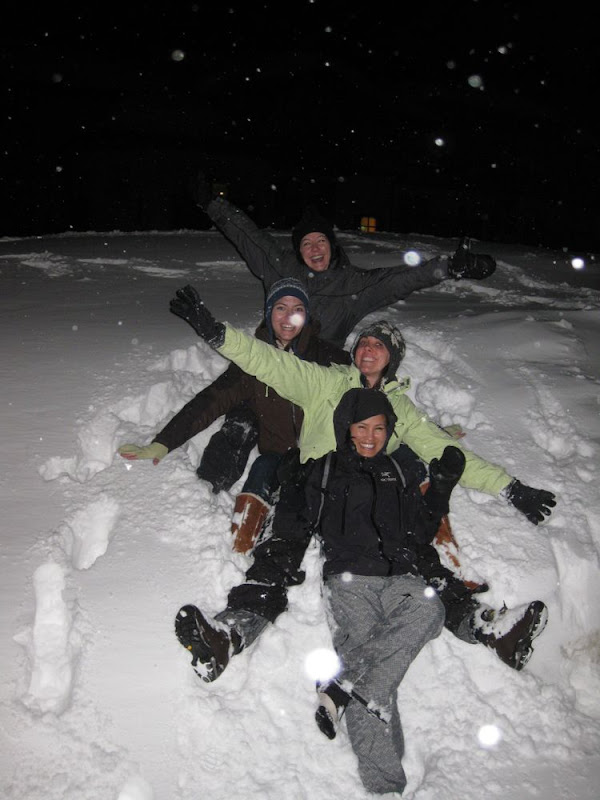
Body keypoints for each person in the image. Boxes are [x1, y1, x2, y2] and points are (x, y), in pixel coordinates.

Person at [175, 389, 546, 795]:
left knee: (430, 612)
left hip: (402, 580)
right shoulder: (325, 470)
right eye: (362, 427)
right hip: (348, 581)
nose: (370, 437)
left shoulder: (399, 470)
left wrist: (441, 489)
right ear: (346, 429)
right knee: (375, 685)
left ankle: (341, 685)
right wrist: (293, 489)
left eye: (379, 428)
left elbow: (420, 532)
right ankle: (384, 784)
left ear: (389, 431)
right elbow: (295, 530)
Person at [170, 285, 554, 677]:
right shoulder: (326, 382)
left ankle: (488, 629)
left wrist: (510, 488)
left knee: (414, 553)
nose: (368, 349)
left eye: (379, 345)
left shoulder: (400, 409)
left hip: (365, 494)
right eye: (364, 343)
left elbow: (446, 452)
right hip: (314, 483)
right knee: (278, 552)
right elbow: (269, 362)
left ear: (392, 359)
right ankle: (229, 634)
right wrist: (218, 334)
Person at [195, 178, 497, 493]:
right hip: (272, 364)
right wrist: (213, 204)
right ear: (298, 250)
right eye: (306, 243)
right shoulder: (282, 269)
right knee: (242, 419)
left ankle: (298, 487)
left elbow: (398, 280)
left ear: (332, 245)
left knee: (317, 432)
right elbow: (249, 237)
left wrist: (448, 268)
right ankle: (208, 486)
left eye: (321, 241)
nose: (315, 249)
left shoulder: (352, 285)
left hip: (318, 378)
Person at [118, 278, 350, 552]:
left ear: (307, 315)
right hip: (276, 455)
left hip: (318, 458)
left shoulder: (329, 357)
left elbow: (362, 404)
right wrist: (164, 441)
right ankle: (238, 546)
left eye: (297, 309)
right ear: (268, 313)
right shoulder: (251, 358)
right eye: (280, 308)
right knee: (254, 454)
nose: (289, 318)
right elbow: (213, 400)